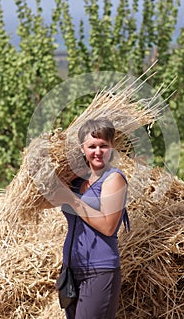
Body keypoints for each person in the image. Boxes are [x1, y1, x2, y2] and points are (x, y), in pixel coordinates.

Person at [50, 117, 129, 319]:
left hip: (100, 271)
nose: (97, 152)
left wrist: (72, 200)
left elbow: (108, 226)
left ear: (112, 147)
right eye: (92, 146)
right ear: (82, 149)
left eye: (103, 146)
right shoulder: (76, 180)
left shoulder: (113, 179)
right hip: (70, 270)